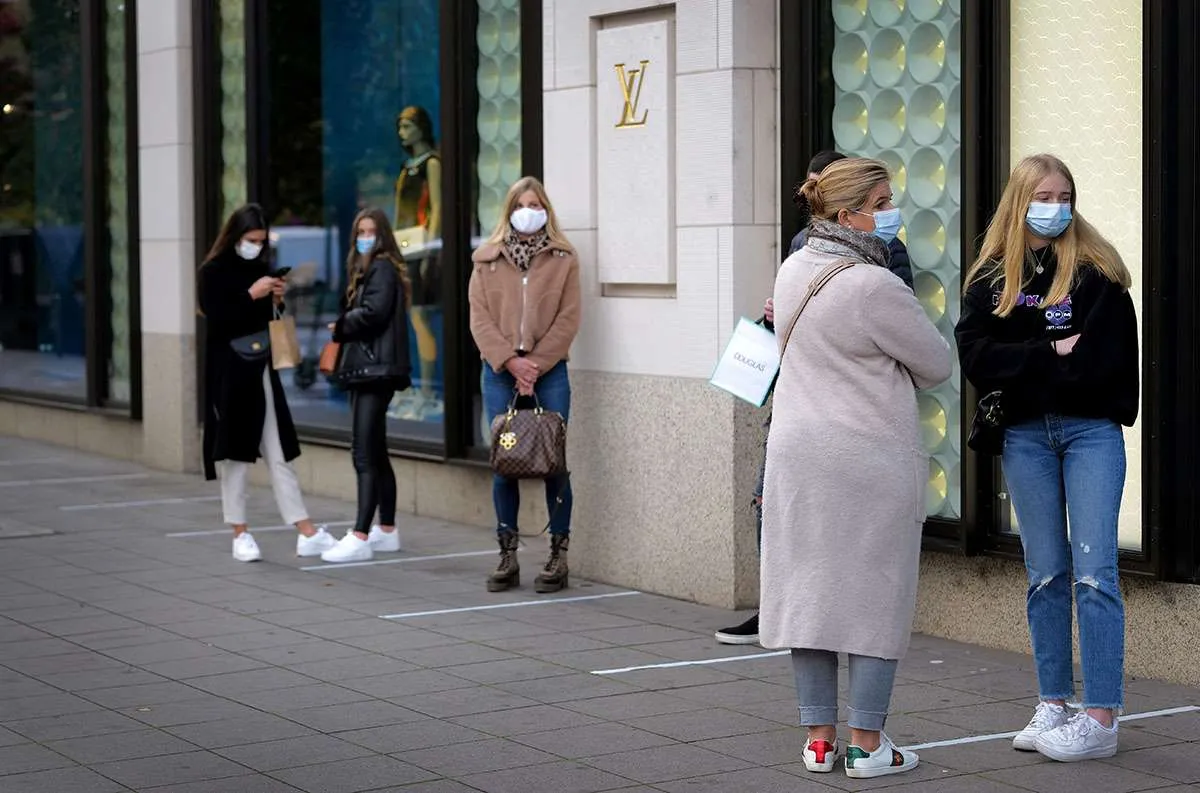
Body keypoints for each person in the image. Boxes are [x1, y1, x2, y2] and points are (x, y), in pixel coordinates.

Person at [760, 158, 951, 778]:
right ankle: (868, 744)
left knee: (809, 594)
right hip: (865, 457)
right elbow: (937, 363)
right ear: (849, 215)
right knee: (875, 596)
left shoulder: (793, 270)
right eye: (883, 200)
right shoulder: (874, 285)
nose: (893, 211)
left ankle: (818, 740)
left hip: (797, 454)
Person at [955, 153, 1137, 762]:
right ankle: (1053, 701)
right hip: (1026, 437)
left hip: (1090, 434)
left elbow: (1103, 366)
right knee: (1046, 575)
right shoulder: (991, 277)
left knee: (1094, 573)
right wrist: (1049, 352)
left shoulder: (1097, 271)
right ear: (1018, 200)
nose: (1055, 207)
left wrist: (1029, 361)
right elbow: (977, 359)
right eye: (1044, 195)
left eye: (1064, 195)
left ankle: (1101, 716)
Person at [715, 149, 913, 646]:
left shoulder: (889, 250)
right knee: (772, 502)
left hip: (852, 407)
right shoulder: (803, 247)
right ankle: (779, 606)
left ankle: (824, 615)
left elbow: (900, 324)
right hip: (797, 393)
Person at [198, 203, 337, 562]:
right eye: (250, 239)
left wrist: (275, 300)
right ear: (235, 236)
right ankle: (239, 533)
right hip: (229, 373)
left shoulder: (260, 269)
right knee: (235, 455)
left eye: (261, 241)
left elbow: (266, 323)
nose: (256, 246)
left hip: (260, 370)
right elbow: (218, 319)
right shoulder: (213, 272)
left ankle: (305, 530)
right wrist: (252, 295)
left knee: (279, 452)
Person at [469, 176, 581, 594]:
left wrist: (534, 364)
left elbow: (569, 318)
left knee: (554, 462)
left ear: (546, 211)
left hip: (549, 373)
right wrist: (511, 362)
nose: (528, 211)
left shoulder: (563, 258)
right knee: (504, 463)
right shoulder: (486, 259)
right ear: (509, 210)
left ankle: (558, 555)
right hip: (499, 372)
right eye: (522, 204)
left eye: (536, 204)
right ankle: (507, 552)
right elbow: (478, 318)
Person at [320, 209, 413, 563]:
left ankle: (360, 534)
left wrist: (341, 325)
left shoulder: (381, 267)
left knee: (362, 451)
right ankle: (386, 530)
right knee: (376, 450)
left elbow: (373, 313)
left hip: (374, 369)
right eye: (361, 231)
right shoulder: (370, 269)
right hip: (374, 368)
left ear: (383, 235)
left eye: (372, 231)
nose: (365, 237)